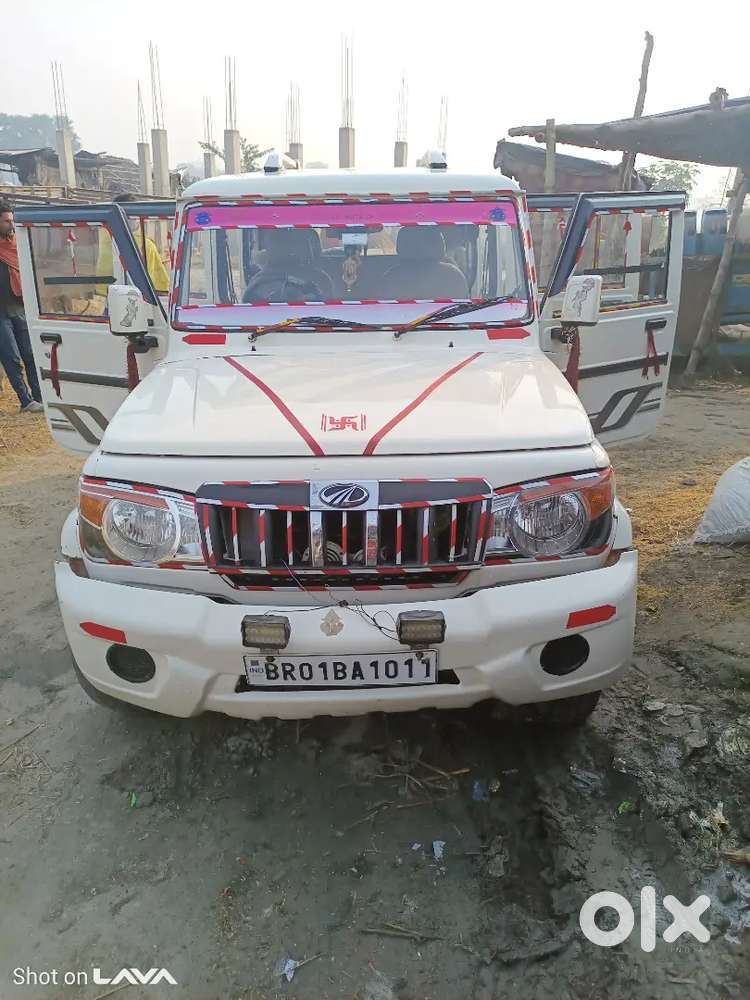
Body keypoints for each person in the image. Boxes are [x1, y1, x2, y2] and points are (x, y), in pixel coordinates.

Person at [0, 200, 43, 413]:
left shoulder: (17, 244)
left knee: (30, 353)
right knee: (12, 357)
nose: (11, 224)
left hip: (19, 307)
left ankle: (39, 396)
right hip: (1, 313)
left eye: (12, 220)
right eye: (7, 221)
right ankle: (25, 400)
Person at [95, 193, 170, 294]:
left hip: (104, 299)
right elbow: (161, 288)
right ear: (137, 217)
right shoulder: (146, 245)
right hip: (137, 301)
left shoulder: (102, 240)